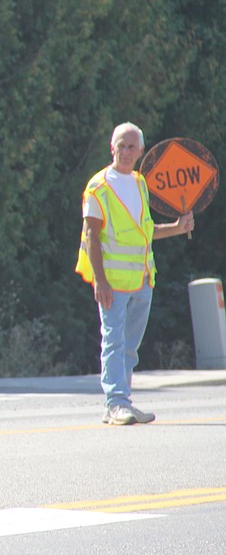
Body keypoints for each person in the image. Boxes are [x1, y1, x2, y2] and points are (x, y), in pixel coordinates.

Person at [76, 123, 194, 425]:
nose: (126, 152)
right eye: (121, 145)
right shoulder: (98, 186)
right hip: (113, 284)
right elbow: (91, 235)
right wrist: (100, 281)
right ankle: (115, 402)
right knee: (114, 342)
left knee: (129, 347)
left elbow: (145, 231)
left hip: (142, 280)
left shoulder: (140, 183)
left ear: (141, 151)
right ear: (111, 148)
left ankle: (121, 401)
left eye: (132, 147)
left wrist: (177, 228)